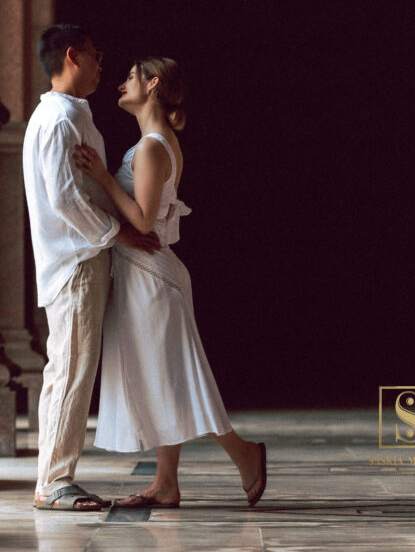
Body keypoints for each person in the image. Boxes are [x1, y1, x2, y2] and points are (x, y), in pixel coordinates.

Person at [72, 57, 267, 508]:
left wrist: (101, 176)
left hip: (151, 277)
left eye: (130, 78)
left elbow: (141, 220)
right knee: (165, 378)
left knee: (179, 378)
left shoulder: (152, 147)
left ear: (152, 84)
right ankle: (165, 483)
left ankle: (244, 454)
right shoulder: (155, 143)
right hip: (150, 275)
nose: (120, 84)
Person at [24, 24, 160, 511]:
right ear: (72, 55)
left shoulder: (68, 116)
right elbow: (65, 200)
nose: (103, 64)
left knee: (69, 369)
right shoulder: (60, 120)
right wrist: (121, 233)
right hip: (76, 262)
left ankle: (53, 477)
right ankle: (54, 482)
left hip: (78, 259)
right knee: (70, 370)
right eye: (96, 54)